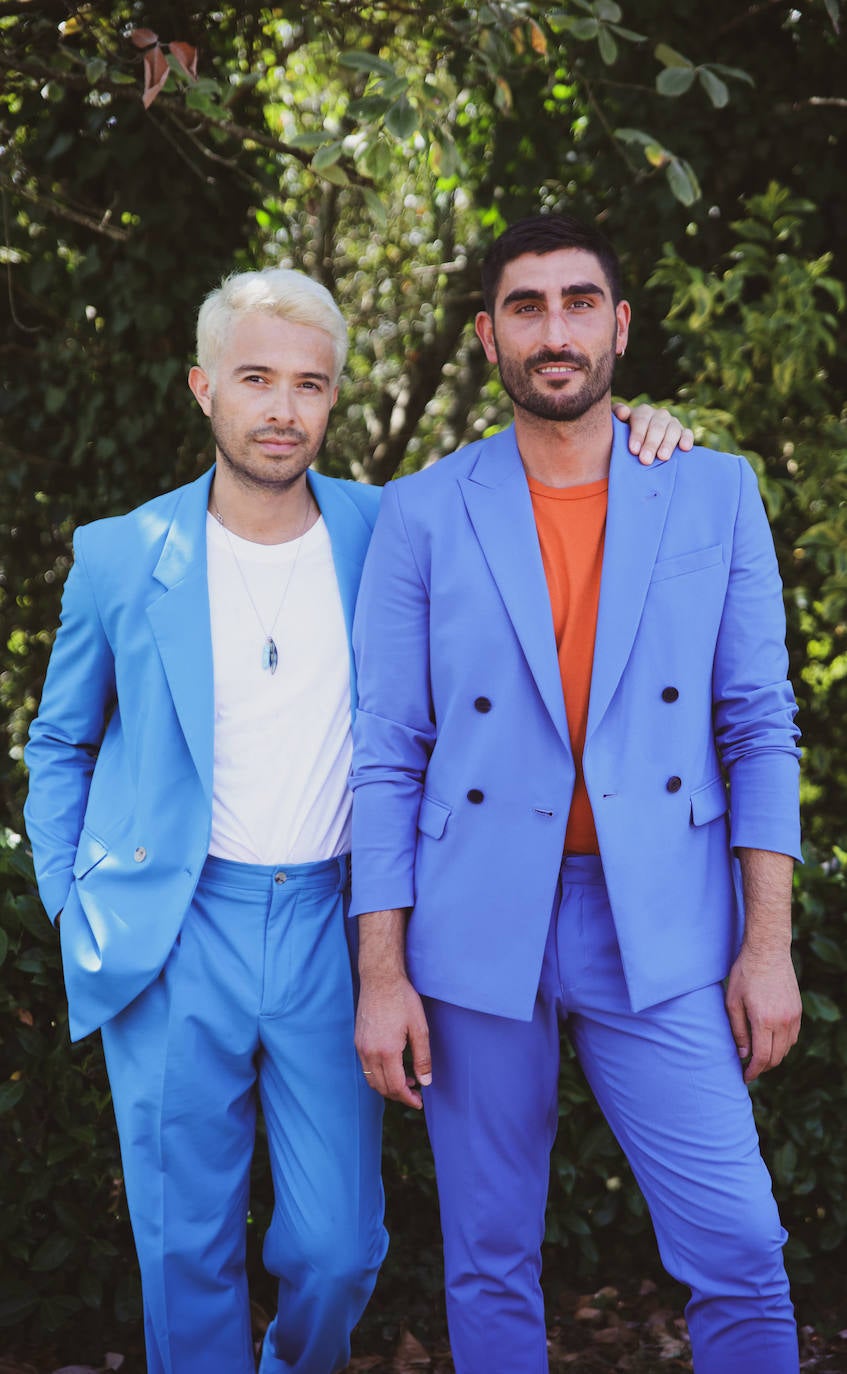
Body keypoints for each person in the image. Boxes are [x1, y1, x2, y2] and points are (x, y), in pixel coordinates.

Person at [23, 262, 686, 1374]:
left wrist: (641, 430)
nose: (283, 409)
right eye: (256, 379)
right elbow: (58, 743)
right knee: (183, 1250)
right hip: (178, 929)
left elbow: (545, 487)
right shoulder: (121, 556)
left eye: (310, 385)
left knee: (337, 1247)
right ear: (202, 387)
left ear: (333, 398)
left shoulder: (394, 529)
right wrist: (71, 900)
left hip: (339, 929)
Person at [349, 214, 802, 1374]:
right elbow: (389, 750)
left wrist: (765, 947)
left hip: (654, 911)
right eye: (527, 306)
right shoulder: (419, 511)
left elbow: (756, 728)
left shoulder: (711, 491)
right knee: (488, 1254)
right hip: (474, 915)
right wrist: (383, 973)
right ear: (488, 336)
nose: (556, 330)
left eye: (579, 301)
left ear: (620, 324)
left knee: (741, 1242)